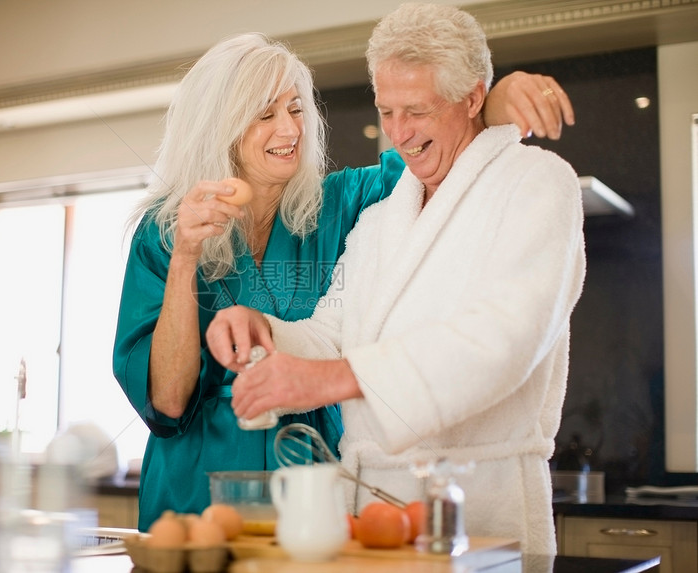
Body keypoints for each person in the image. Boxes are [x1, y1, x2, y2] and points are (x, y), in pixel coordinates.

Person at [114, 29, 575, 532]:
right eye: (265, 115)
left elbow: (433, 155)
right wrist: (185, 257)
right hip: (198, 487)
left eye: (295, 109)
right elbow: (168, 400)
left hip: (314, 476)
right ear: (218, 128)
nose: (289, 129)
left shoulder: (343, 203)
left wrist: (489, 103)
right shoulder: (166, 233)